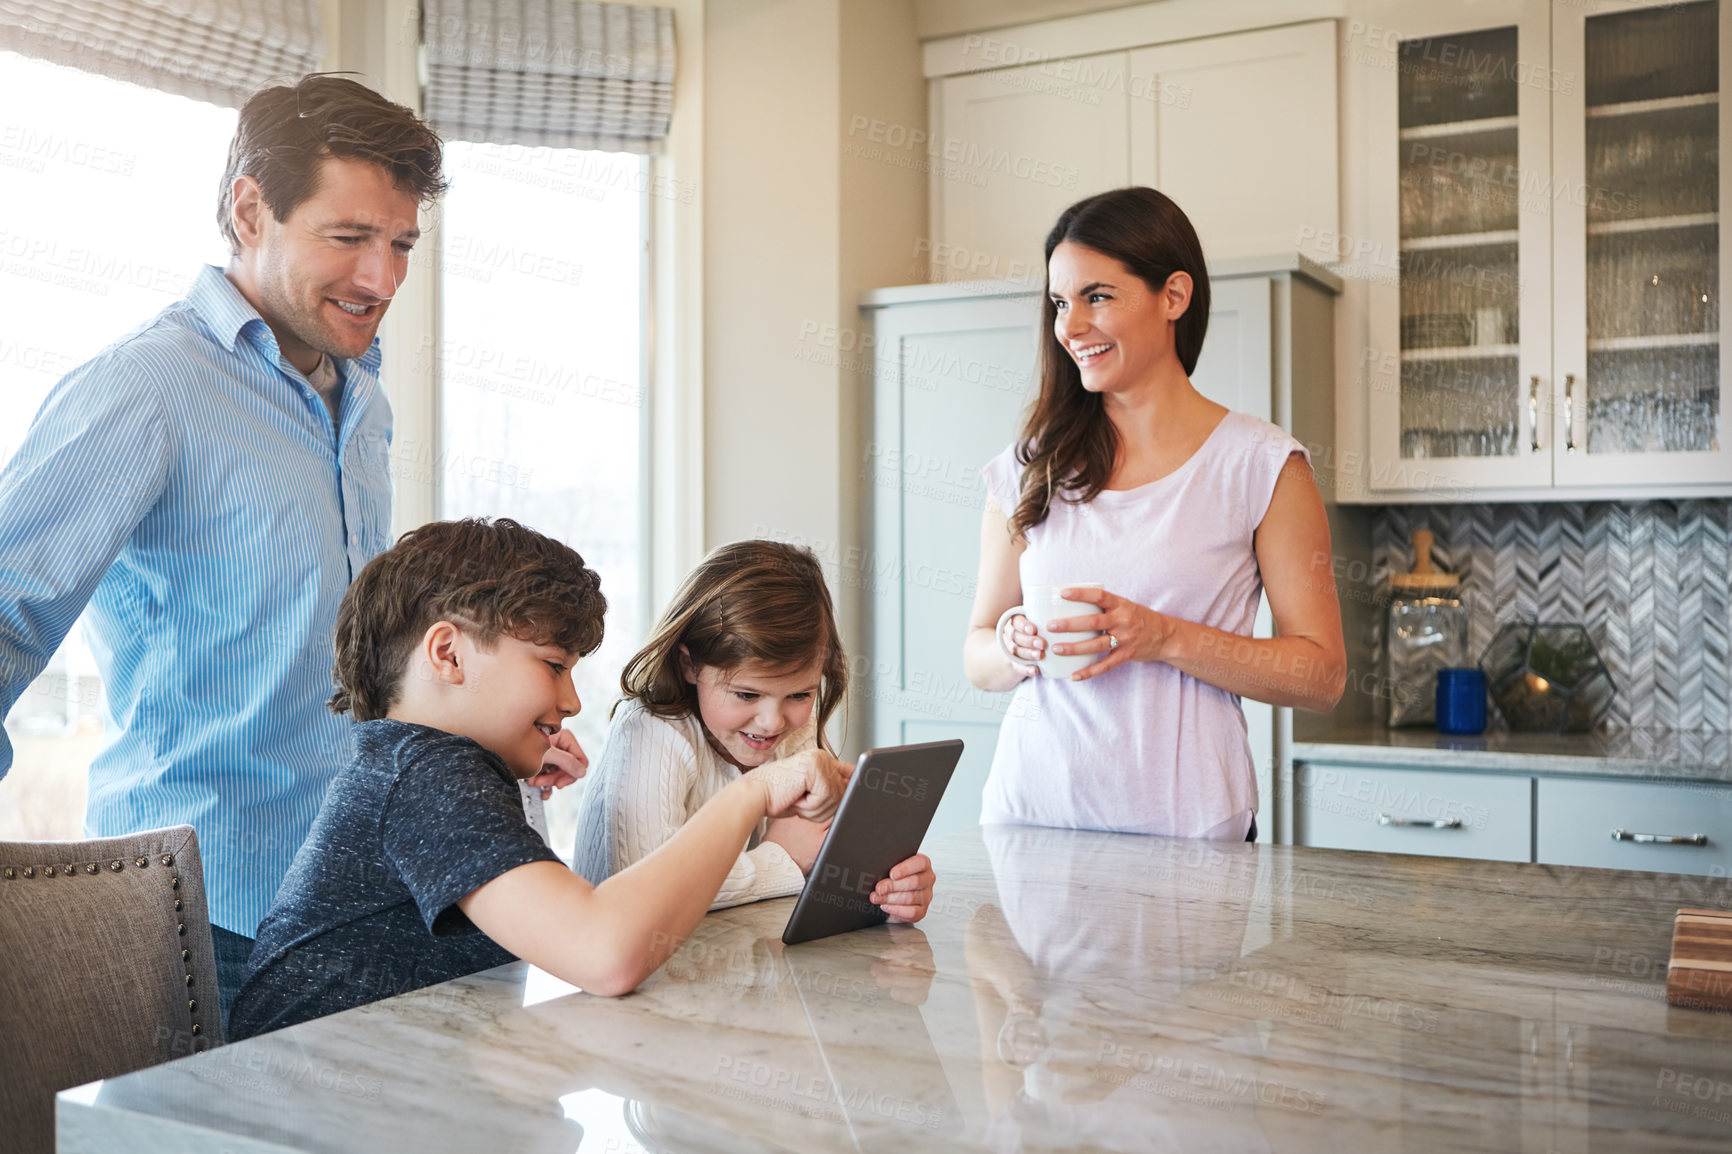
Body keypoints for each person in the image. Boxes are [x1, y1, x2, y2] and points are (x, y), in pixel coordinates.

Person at [0, 74, 446, 1023]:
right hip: (198, 918)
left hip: (353, 900)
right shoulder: (144, 388)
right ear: (252, 209)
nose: (384, 279)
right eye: (350, 238)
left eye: (401, 244)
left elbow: (350, 652)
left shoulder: (362, 399)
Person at [227, 519, 851, 1039]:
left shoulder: (420, 765)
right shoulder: (427, 774)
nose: (574, 700)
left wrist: (520, 782)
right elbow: (605, 956)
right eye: (553, 666)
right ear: (447, 654)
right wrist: (754, 794)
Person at [961, 187, 1346, 842]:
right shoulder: (1030, 465)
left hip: (1189, 833)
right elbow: (977, 651)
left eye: (1098, 297)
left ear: (1173, 295)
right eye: (1060, 302)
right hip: (1031, 821)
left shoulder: (1264, 466)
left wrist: (1164, 637)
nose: (1070, 326)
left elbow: (1322, 676)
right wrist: (1010, 643)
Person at [573, 540, 935, 923]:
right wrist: (783, 860)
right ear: (690, 665)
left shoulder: (792, 733)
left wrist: (886, 887)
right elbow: (646, 893)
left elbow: (822, 859)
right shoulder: (651, 732)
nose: (773, 721)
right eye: (747, 694)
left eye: (800, 694)